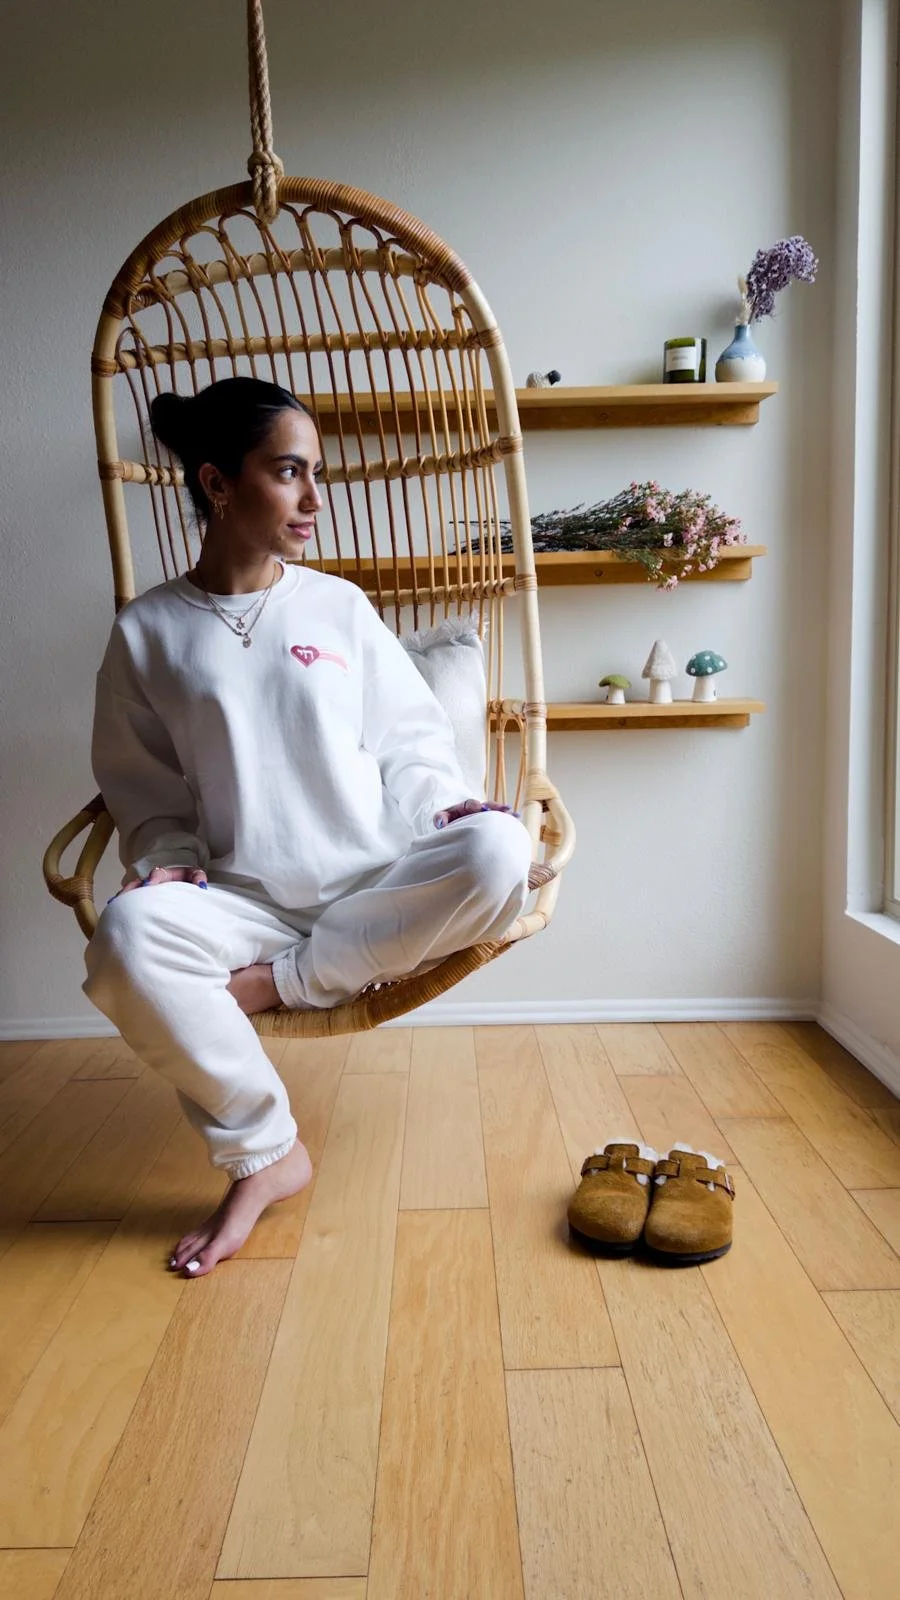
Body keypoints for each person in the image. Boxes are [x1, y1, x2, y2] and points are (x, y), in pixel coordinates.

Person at [83, 377, 533, 1278]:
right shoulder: (147, 632)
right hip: (242, 896)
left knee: (498, 850)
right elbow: (145, 792)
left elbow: (411, 741)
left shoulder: (337, 606)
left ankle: (280, 984)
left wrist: (448, 806)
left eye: (315, 472)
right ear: (217, 483)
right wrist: (166, 862)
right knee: (126, 938)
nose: (315, 499)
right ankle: (267, 1150)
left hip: (376, 885)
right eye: (289, 473)